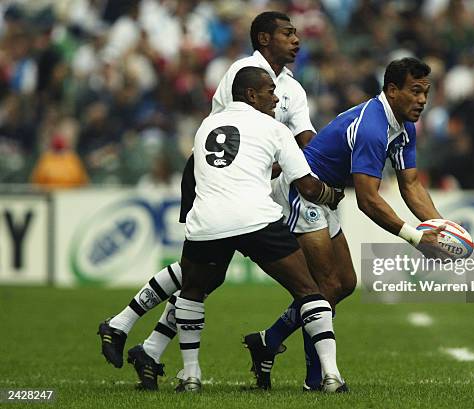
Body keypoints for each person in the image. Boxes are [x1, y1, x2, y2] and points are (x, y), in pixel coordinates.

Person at [97, 11, 315, 390]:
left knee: (203, 276)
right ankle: (125, 327)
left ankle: (138, 339)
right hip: (213, 172)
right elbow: (235, 132)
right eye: (287, 33)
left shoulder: (292, 89)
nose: (296, 39)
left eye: (296, 33)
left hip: (245, 182)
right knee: (198, 272)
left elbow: (305, 138)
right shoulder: (243, 71)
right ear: (264, 39)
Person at [247, 57, 445, 391]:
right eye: (415, 91)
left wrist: (439, 227)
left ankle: (269, 339)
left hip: (326, 196)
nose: (423, 100)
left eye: (426, 92)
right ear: (392, 91)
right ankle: (320, 379)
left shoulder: (403, 126)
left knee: (343, 284)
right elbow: (368, 200)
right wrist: (415, 237)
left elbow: (410, 184)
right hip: (302, 191)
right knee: (324, 285)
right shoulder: (371, 127)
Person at [171, 66, 346, 392]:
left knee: (192, 293)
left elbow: (194, 175)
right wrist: (332, 194)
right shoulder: (273, 127)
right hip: (256, 220)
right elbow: (307, 186)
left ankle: (191, 375)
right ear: (251, 94)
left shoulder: (206, 125)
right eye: (269, 90)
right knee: (309, 290)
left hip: (207, 222)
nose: (276, 96)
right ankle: (332, 375)